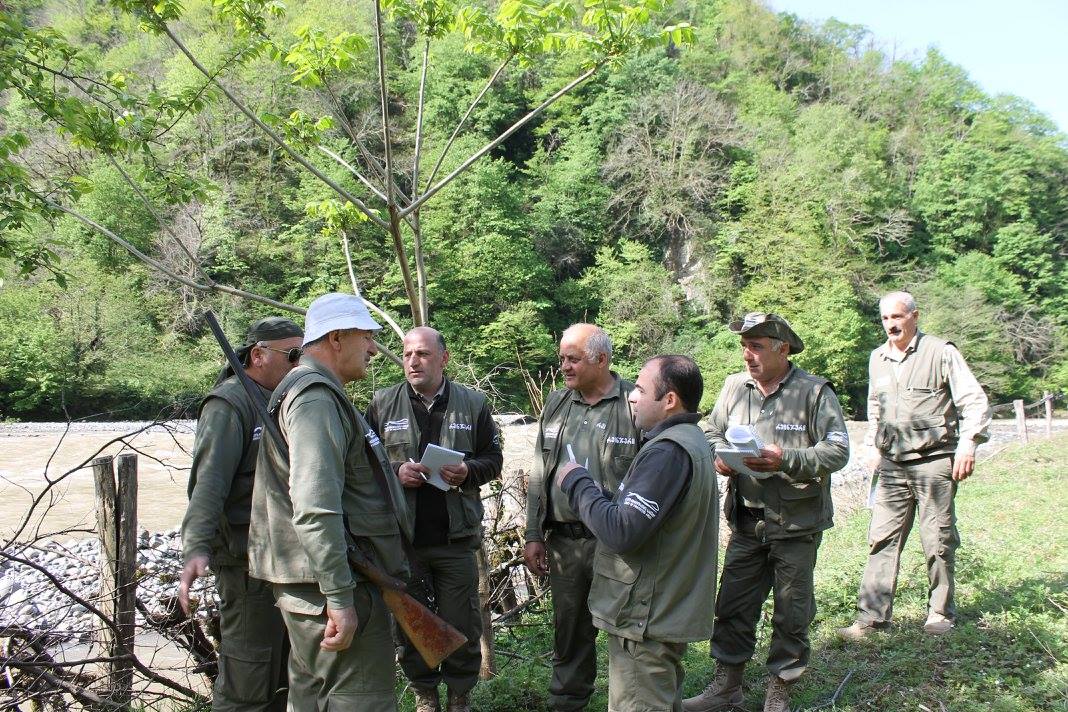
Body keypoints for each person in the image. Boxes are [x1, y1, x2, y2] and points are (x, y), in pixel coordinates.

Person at [248, 293, 411, 711]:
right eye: (366, 337)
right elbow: (314, 506)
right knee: (359, 701)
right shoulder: (315, 399)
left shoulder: (314, 392)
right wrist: (339, 597)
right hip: (334, 587)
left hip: (323, 583)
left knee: (313, 700)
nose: (373, 348)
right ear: (336, 338)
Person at [684, 313, 849, 712]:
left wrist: (785, 459)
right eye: (744, 346)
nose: (747, 355)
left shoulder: (813, 392)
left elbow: (838, 449)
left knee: (792, 611)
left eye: (756, 347)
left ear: (782, 348)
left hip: (795, 523)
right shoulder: (734, 387)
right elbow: (711, 429)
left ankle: (780, 690)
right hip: (746, 520)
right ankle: (727, 686)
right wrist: (718, 455)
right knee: (733, 605)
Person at [556, 355, 718, 712]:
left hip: (646, 617)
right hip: (663, 609)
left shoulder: (667, 452)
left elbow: (622, 532)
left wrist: (578, 484)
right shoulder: (691, 440)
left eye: (642, 390)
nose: (631, 396)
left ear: (669, 400)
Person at [839, 291, 991, 640]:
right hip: (892, 464)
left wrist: (968, 444)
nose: (891, 324)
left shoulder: (941, 352)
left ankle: (940, 612)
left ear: (914, 316)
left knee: (937, 539)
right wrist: (871, 445)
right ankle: (871, 619)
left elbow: (973, 400)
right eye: (885, 318)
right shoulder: (877, 357)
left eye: (897, 317)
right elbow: (875, 406)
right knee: (881, 539)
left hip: (934, 460)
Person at [366, 327, 503, 712]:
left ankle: (460, 697)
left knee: (462, 624)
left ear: (443, 358)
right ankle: (425, 696)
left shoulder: (472, 403)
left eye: (423, 354)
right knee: (412, 625)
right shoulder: (382, 403)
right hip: (402, 542)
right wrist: (396, 472)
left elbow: (493, 460)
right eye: (408, 354)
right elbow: (362, 464)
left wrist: (468, 471)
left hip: (454, 540)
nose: (413, 361)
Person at [179, 316, 303, 712]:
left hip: (286, 559)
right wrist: (196, 547)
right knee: (248, 680)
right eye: (293, 354)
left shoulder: (284, 399)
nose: (300, 363)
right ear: (258, 355)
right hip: (245, 562)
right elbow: (209, 482)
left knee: (286, 677)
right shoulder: (230, 403)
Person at [524, 324, 641, 711]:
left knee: (627, 631)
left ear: (601, 359)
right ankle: (567, 704)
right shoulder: (557, 403)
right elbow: (539, 472)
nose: (564, 366)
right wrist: (533, 534)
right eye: (562, 359)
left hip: (618, 546)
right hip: (565, 543)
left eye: (573, 359)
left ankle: (633, 704)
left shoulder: (635, 404)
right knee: (570, 633)